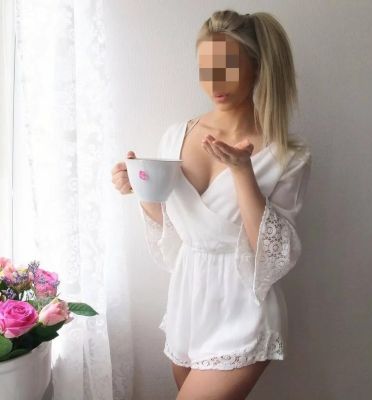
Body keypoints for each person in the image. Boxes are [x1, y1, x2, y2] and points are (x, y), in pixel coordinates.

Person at [111, 9, 312, 400]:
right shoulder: (177, 136)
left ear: (257, 66)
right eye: (206, 68)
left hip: (243, 309)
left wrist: (242, 172)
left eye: (228, 66)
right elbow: (174, 228)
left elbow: (271, 256)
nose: (215, 81)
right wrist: (138, 189)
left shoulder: (288, 154)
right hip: (189, 303)